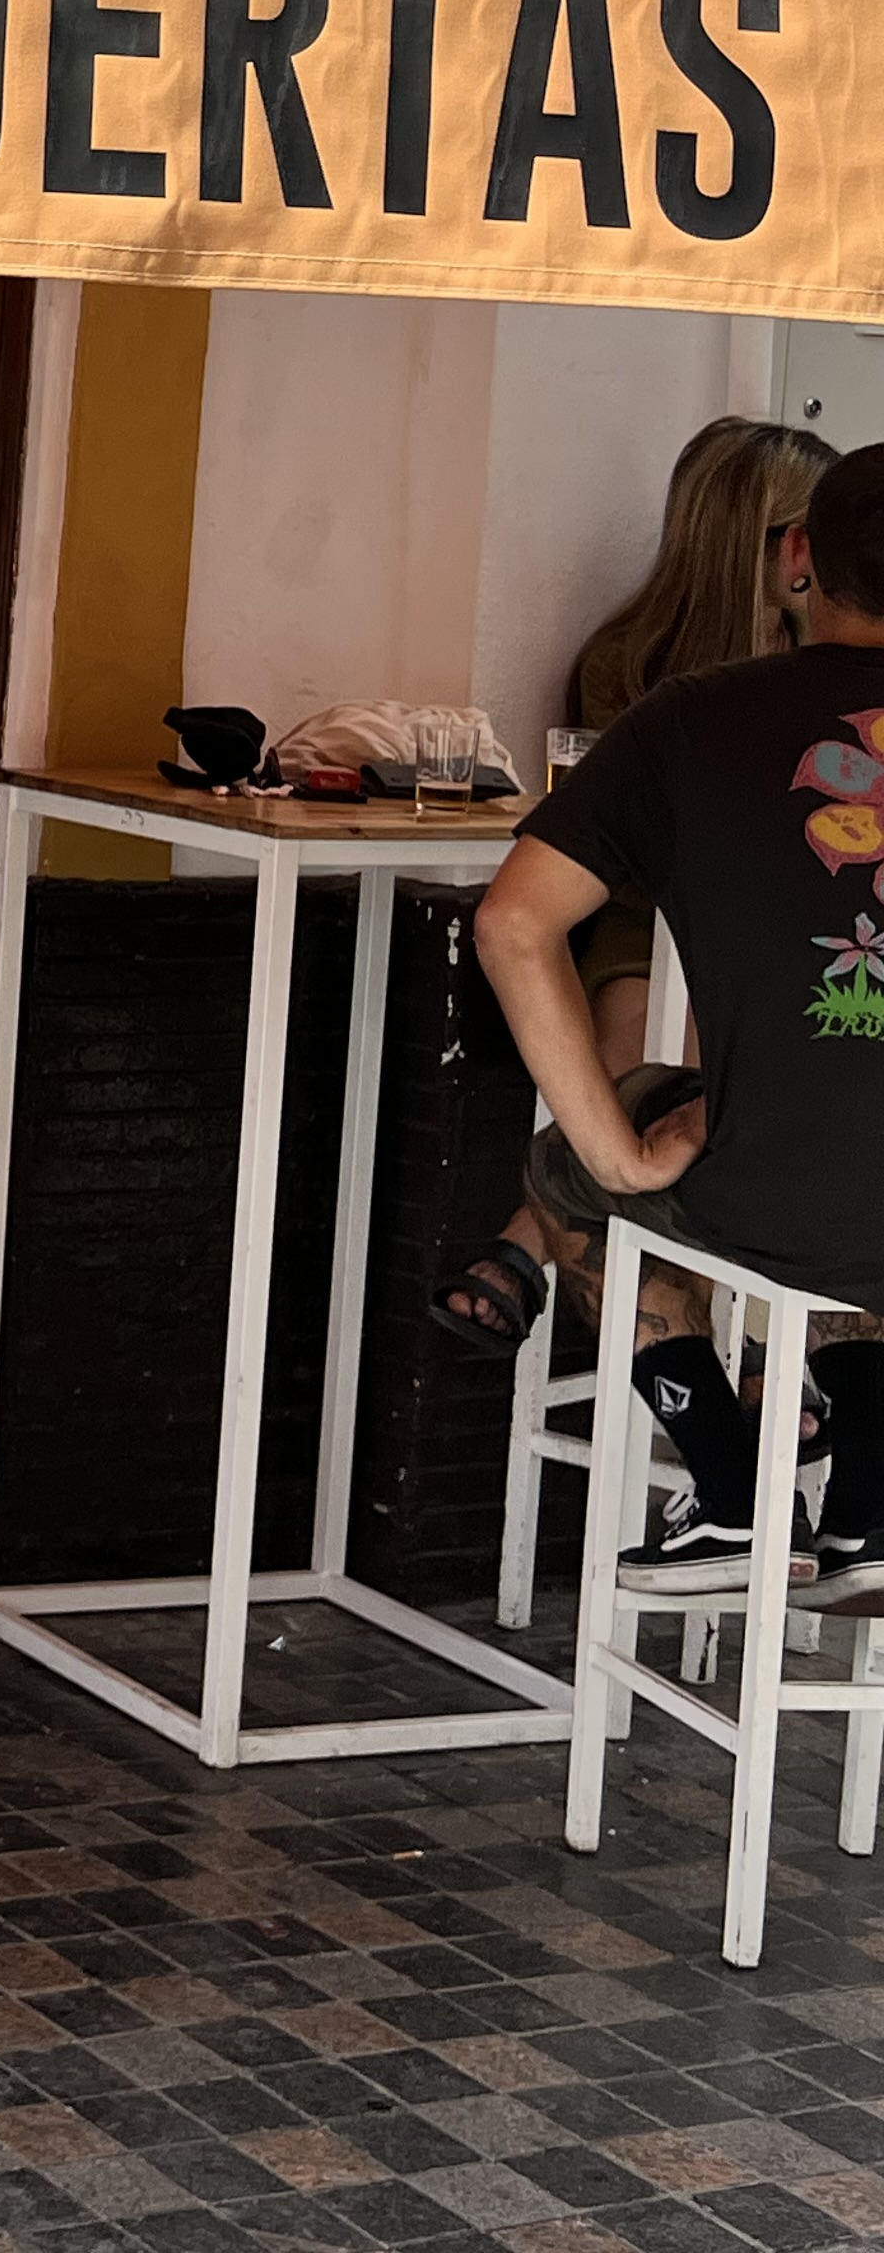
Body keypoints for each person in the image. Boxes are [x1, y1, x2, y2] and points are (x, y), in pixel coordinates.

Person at [433, 417, 845, 1577]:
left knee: (629, 1121)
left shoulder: (664, 668)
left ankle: (533, 1249)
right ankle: (782, 1412)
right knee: (693, 1045)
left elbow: (532, 903)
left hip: (681, 938)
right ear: (784, 549)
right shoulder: (749, 687)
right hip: (694, 933)